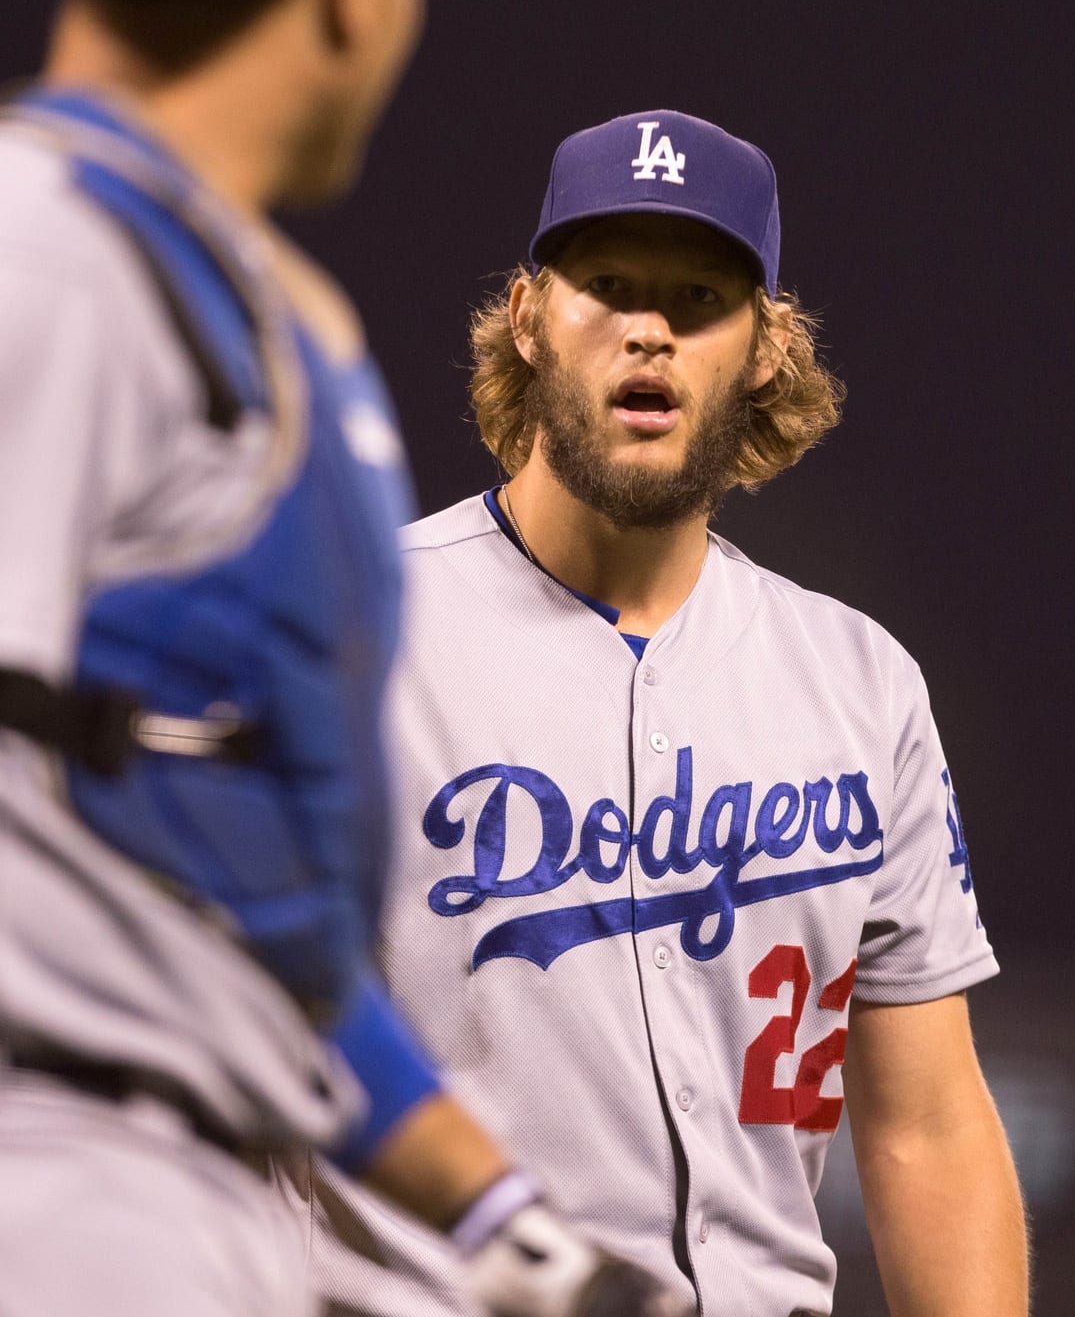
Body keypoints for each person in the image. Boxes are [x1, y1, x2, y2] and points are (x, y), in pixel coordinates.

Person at [0, 0, 688, 1316]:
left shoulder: (221, 293)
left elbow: (244, 918)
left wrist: (519, 1242)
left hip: (163, 1198)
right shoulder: (17, 249)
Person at [306, 111, 1030, 1317]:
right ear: (530, 315)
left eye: (698, 294)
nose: (649, 326)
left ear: (761, 349)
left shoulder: (856, 680)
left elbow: (926, 1128)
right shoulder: (354, 634)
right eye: (606, 285)